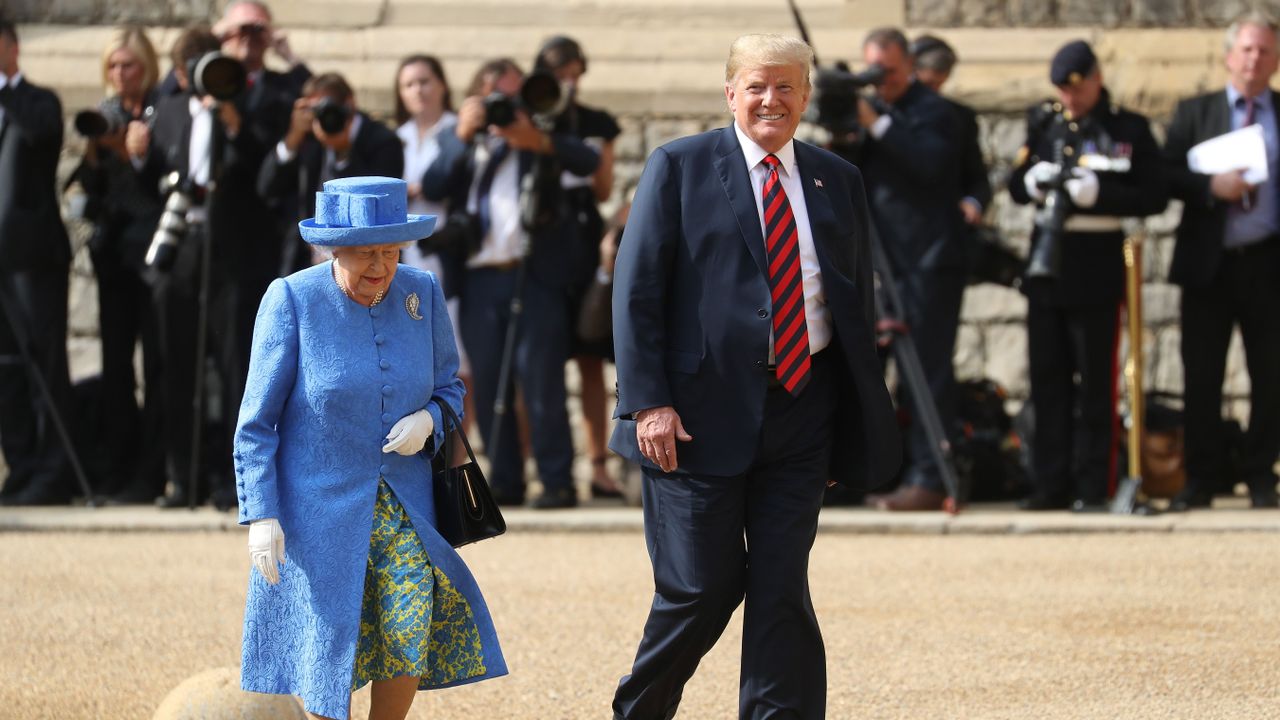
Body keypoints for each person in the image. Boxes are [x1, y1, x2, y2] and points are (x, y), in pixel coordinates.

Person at [609, 34, 900, 718]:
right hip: (694, 419)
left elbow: (853, 303)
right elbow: (637, 290)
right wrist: (648, 402)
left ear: (804, 96)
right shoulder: (679, 166)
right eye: (757, 86)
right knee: (700, 588)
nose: (772, 99)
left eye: (787, 86)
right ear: (731, 92)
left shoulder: (838, 178)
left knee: (780, 589)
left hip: (803, 409)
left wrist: (849, 419)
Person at [235, 176, 507, 720]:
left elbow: (450, 386)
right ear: (333, 249)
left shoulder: (422, 292)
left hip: (405, 505)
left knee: (410, 623)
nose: (379, 268)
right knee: (330, 641)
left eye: (389, 252)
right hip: (318, 512)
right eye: (364, 255)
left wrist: (429, 420)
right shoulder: (291, 299)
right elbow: (256, 424)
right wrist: (260, 514)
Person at [421, 58, 600, 509]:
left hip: (534, 275)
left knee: (542, 381)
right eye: (494, 97)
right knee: (489, 377)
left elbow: (589, 159)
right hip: (480, 277)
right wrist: (464, 134)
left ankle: (557, 480)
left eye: (513, 97)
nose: (504, 107)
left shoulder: (541, 137)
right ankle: (504, 480)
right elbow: (435, 182)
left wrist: (535, 139)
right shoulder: (462, 140)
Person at [1007, 40, 1166, 511]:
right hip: (1046, 261)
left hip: (1095, 256)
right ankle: (1050, 483)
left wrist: (1102, 193)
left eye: (1078, 89)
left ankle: (1094, 484)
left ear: (1097, 79)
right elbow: (1015, 185)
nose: (1071, 99)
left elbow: (1153, 195)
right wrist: (1033, 181)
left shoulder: (1127, 128)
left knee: (1096, 380)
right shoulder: (1045, 121)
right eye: (1063, 91)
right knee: (1047, 378)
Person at [130, 25, 284, 509]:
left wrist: (234, 119)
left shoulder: (249, 107)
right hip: (181, 247)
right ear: (178, 75)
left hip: (233, 251)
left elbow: (264, 175)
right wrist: (136, 156)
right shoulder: (169, 111)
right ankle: (182, 476)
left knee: (235, 364)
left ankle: (234, 479)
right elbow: (151, 177)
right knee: (177, 363)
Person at [833, 27, 963, 511]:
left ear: (908, 65)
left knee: (927, 372)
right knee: (863, 371)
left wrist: (876, 122)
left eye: (887, 71)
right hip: (876, 257)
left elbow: (929, 165)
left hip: (928, 261)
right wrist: (849, 127)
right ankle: (855, 475)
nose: (880, 80)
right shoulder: (870, 112)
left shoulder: (934, 111)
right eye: (873, 71)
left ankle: (931, 476)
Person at [1163, 12, 1280, 511]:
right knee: (1202, 375)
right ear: (1229, 56)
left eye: (1266, 51)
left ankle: (1260, 474)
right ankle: (1202, 477)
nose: (1255, 59)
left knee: (1270, 374)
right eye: (1247, 50)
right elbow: (1165, 175)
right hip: (1210, 265)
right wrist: (1210, 187)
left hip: (1268, 262)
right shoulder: (1195, 112)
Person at [69, 26, 166, 502]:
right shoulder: (101, 115)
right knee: (115, 366)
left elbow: (163, 182)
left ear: (146, 66)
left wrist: (141, 152)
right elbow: (85, 187)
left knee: (158, 364)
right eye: (112, 65)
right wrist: (96, 152)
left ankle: (151, 472)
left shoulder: (161, 110)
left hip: (153, 254)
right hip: (112, 256)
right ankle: (116, 466)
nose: (120, 73)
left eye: (128, 64)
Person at [533, 35, 625, 499]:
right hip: (539, 245)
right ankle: (546, 469)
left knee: (592, 361)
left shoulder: (595, 122)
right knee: (541, 365)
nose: (566, 82)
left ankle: (599, 466)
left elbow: (605, 188)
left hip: (584, 242)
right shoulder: (527, 119)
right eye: (557, 73)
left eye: (573, 72)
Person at [0, 19, 75, 506]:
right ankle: (21, 463)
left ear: (12, 47)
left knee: (42, 362)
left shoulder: (37, 100)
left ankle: (53, 471)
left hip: (32, 258)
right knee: (4, 367)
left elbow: (44, 136)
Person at [259, 72, 404, 269]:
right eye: (316, 109)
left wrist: (343, 152)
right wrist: (293, 138)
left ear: (350, 104)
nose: (324, 115)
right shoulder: (310, 138)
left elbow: (376, 204)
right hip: (307, 262)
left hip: (364, 263)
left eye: (329, 107)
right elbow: (267, 188)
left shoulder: (383, 141)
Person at [911, 34, 992, 229]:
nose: (932, 94)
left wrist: (974, 203)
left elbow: (977, 179)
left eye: (938, 85)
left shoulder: (959, 117)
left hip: (944, 232)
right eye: (927, 85)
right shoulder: (882, 115)